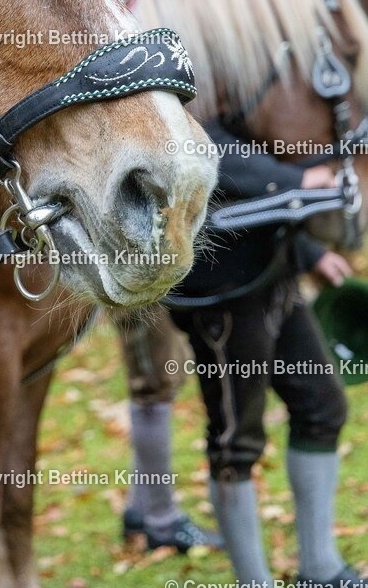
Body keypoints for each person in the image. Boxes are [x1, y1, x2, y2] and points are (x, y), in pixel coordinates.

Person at [167, 120, 363, 588]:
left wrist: (309, 253)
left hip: (275, 271)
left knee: (322, 407)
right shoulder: (193, 83)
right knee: (236, 442)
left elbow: (253, 154)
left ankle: (320, 570)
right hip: (222, 290)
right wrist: (297, 180)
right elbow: (201, 147)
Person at [119, 308, 224, 552]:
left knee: (164, 373)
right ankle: (162, 522)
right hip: (140, 289)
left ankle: (140, 509)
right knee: (153, 383)